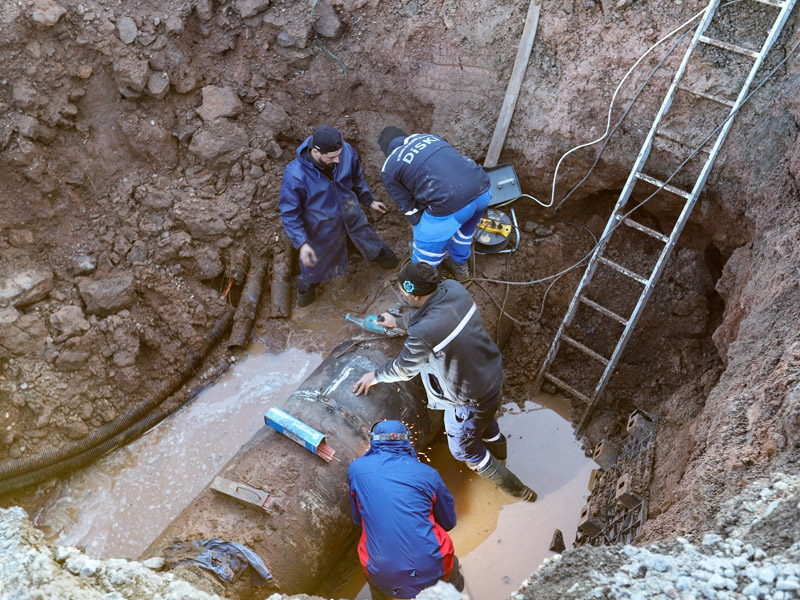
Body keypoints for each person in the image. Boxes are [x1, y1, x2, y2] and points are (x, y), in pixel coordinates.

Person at [353, 262, 536, 501]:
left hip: (468, 399)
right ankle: (501, 458)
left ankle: (519, 491)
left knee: (464, 449)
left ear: (414, 295)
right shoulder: (454, 289)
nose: (399, 295)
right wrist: (398, 321)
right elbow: (436, 317)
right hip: (491, 375)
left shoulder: (423, 333)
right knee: (486, 422)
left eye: (401, 292)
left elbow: (405, 369)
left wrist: (374, 376)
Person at [279, 125, 398, 307]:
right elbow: (289, 213)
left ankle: (388, 260)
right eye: (332, 157)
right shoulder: (295, 174)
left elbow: (357, 177)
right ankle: (306, 295)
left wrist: (369, 200)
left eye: (339, 155)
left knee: (370, 241)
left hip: (352, 213)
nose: (337, 160)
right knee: (313, 269)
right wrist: (302, 243)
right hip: (321, 229)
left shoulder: (346, 151)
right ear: (316, 151)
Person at [348, 420, 465, 599]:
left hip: (381, 571)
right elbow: (449, 522)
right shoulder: (428, 473)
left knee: (381, 588)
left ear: (374, 441)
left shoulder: (356, 469)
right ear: (407, 442)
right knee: (452, 570)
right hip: (433, 569)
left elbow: (358, 520)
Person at [377, 126, 491, 282]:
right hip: (483, 190)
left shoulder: (389, 167)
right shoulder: (431, 138)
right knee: (464, 233)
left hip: (451, 202)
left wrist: (422, 231)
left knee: (425, 243)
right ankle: (459, 267)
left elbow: (409, 210)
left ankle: (423, 281)